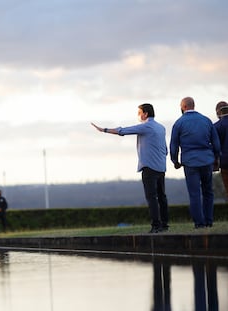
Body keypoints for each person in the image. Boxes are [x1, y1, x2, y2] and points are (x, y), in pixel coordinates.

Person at [92, 103, 169, 233]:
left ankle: (156, 225)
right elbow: (165, 149)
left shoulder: (145, 126)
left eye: (139, 113)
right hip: (161, 167)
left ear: (145, 114)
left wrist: (104, 130)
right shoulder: (161, 127)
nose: (138, 115)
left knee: (152, 198)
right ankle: (165, 225)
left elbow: (123, 131)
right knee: (162, 197)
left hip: (149, 167)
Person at [170, 97, 220, 229]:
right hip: (206, 160)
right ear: (193, 105)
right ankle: (209, 221)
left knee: (194, 193)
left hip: (190, 162)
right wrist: (216, 158)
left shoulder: (179, 123)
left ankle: (199, 223)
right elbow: (216, 143)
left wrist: (175, 161)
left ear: (183, 107)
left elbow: (174, 145)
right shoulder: (206, 120)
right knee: (208, 192)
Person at [213, 101, 228, 196]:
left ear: (218, 112)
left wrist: (215, 161)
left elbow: (216, 146)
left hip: (225, 162)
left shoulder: (216, 126)